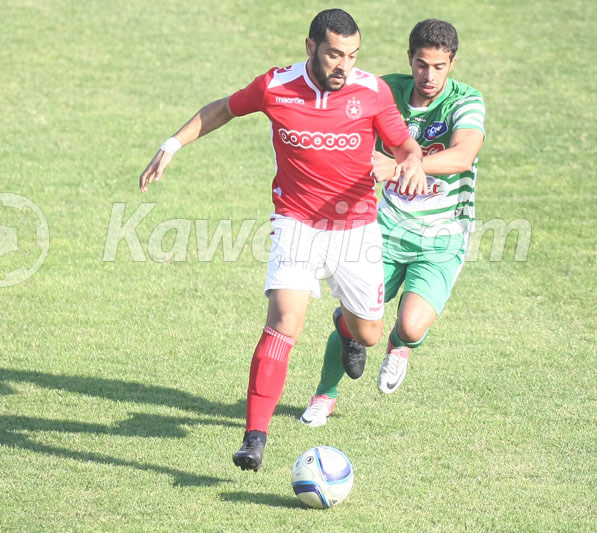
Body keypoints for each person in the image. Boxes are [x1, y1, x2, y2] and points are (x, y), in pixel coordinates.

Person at [138, 9, 427, 472]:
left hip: (355, 228)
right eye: (335, 54)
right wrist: (171, 145)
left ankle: (346, 326)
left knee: (370, 333)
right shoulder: (275, 86)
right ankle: (255, 436)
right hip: (296, 223)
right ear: (310, 47)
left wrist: (409, 163)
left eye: (352, 56)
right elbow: (221, 109)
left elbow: (404, 145)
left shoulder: (370, 91)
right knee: (283, 321)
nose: (343, 66)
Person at [300, 18, 486, 426]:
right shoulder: (384, 91)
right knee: (353, 323)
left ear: (451, 63)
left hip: (442, 238)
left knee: (412, 327)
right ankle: (324, 396)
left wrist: (407, 163)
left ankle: (399, 345)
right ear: (410, 59)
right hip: (384, 230)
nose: (429, 76)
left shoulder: (465, 102)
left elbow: (462, 157)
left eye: (439, 66)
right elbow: (334, 109)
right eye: (421, 65)